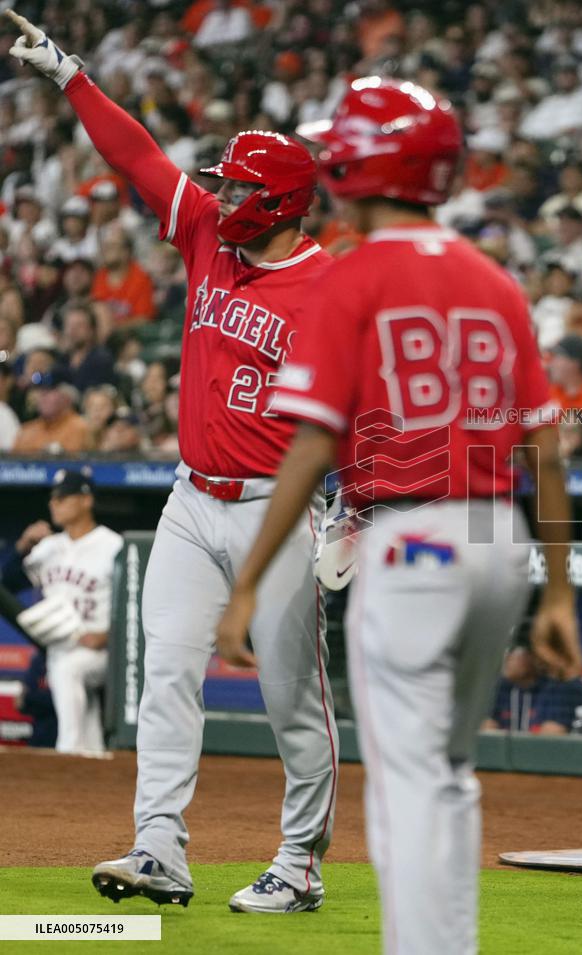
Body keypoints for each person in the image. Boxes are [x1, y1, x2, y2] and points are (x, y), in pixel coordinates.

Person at [214, 77, 582, 954]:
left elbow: (308, 449)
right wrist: (557, 591)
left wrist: (251, 581)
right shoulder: (494, 280)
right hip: (498, 540)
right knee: (449, 776)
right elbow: (548, 448)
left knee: (407, 782)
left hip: (408, 535)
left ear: (358, 163)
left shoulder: (355, 275)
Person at [7, 9, 339, 914]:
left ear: (278, 204)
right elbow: (138, 157)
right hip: (193, 498)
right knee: (165, 672)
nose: (219, 198)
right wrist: (73, 78)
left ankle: (301, 863)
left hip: (281, 510)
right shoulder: (205, 235)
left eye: (238, 190)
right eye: (223, 187)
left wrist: (354, 511)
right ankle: (160, 848)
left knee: (291, 703)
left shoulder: (329, 290)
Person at [15, 469, 122, 754]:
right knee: (73, 687)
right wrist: (21, 548)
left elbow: (135, 600)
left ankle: (68, 752)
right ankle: (92, 757)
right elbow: (8, 581)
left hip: (101, 650)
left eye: (62, 497)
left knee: (68, 669)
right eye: (53, 498)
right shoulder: (48, 547)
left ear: (86, 500)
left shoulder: (113, 545)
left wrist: (109, 635)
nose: (54, 504)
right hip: (58, 646)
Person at [482, 646, 582, 735]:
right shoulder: (501, 688)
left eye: (515, 652)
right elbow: (486, 727)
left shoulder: (558, 689)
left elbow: (551, 735)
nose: (507, 657)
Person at [11, 370, 89, 455]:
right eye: (40, 391)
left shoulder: (80, 428)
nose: (42, 396)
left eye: (49, 391)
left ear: (67, 398)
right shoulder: (26, 431)